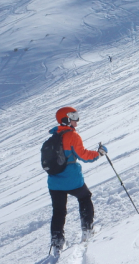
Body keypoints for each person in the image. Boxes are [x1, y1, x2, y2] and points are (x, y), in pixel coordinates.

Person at [47, 106, 107, 257]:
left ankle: (57, 243)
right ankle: (87, 230)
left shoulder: (53, 137)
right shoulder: (72, 135)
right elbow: (84, 155)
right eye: (73, 116)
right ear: (66, 119)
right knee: (85, 197)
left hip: (54, 182)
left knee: (58, 211)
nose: (76, 119)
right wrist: (99, 153)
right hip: (72, 179)